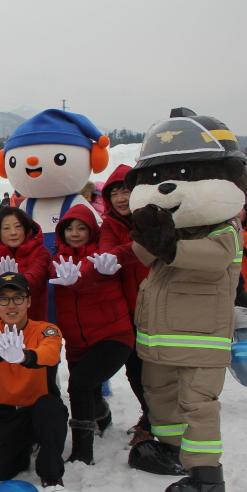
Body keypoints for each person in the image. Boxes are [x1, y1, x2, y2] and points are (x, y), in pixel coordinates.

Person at [48, 204, 134, 465]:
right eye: (69, 228)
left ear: (92, 231)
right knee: (89, 388)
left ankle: (83, 452)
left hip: (113, 335)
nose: (74, 233)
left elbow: (90, 272)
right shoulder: (56, 260)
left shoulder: (103, 257)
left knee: (80, 384)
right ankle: (102, 416)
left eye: (81, 228)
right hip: (77, 341)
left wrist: (77, 278)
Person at [0, 273, 68, 488]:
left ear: (29, 301)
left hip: (39, 412)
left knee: (52, 408)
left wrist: (25, 357)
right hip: (7, 414)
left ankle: (50, 474)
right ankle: (22, 451)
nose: (11, 305)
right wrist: (0, 350)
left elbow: (50, 353)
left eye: (18, 298)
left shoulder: (46, 329)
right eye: (4, 299)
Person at [97, 165, 153, 444]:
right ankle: (150, 417)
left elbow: (148, 246)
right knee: (135, 368)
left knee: (159, 369)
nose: (120, 198)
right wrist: (109, 258)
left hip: (158, 307)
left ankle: (159, 422)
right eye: (114, 193)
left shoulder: (154, 218)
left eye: (126, 191)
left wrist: (118, 254)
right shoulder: (110, 223)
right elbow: (106, 251)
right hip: (129, 309)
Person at [0, 207, 51, 321]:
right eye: (6, 228)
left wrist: (11, 280)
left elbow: (36, 275)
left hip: (33, 319)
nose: (13, 232)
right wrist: (2, 281)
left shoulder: (40, 251)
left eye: (18, 226)